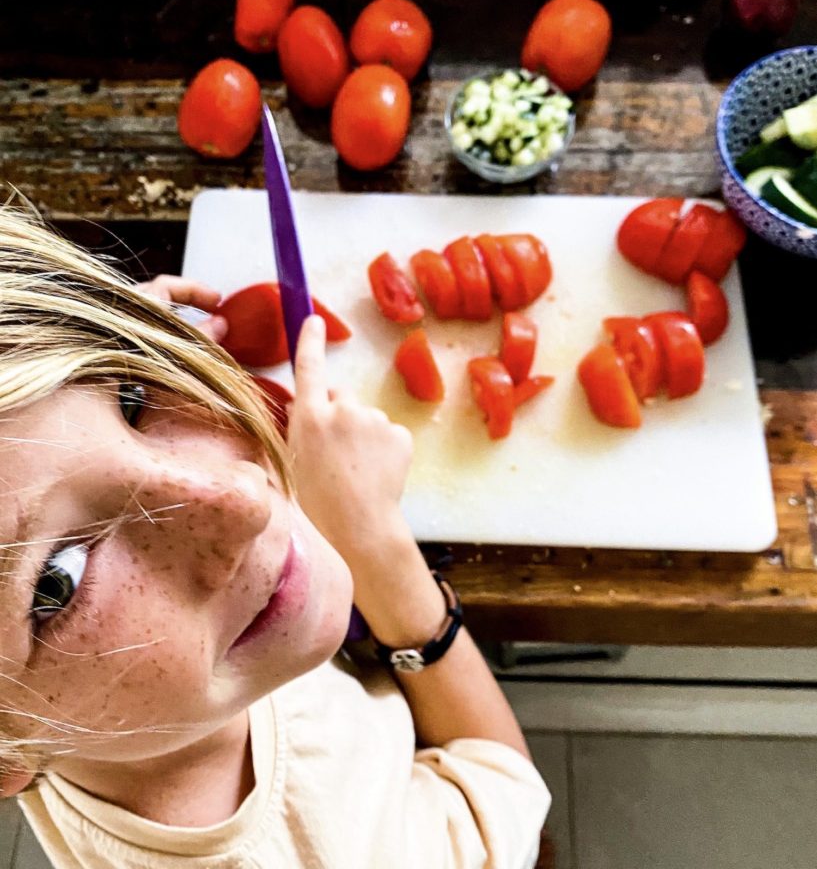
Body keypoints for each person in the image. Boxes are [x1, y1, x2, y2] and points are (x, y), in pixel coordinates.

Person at [0, 202, 549, 868]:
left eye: (133, 398)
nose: (242, 499)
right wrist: (384, 561)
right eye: (59, 580)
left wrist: (93, 349)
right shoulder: (359, 853)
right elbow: (503, 790)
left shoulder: (96, 721)